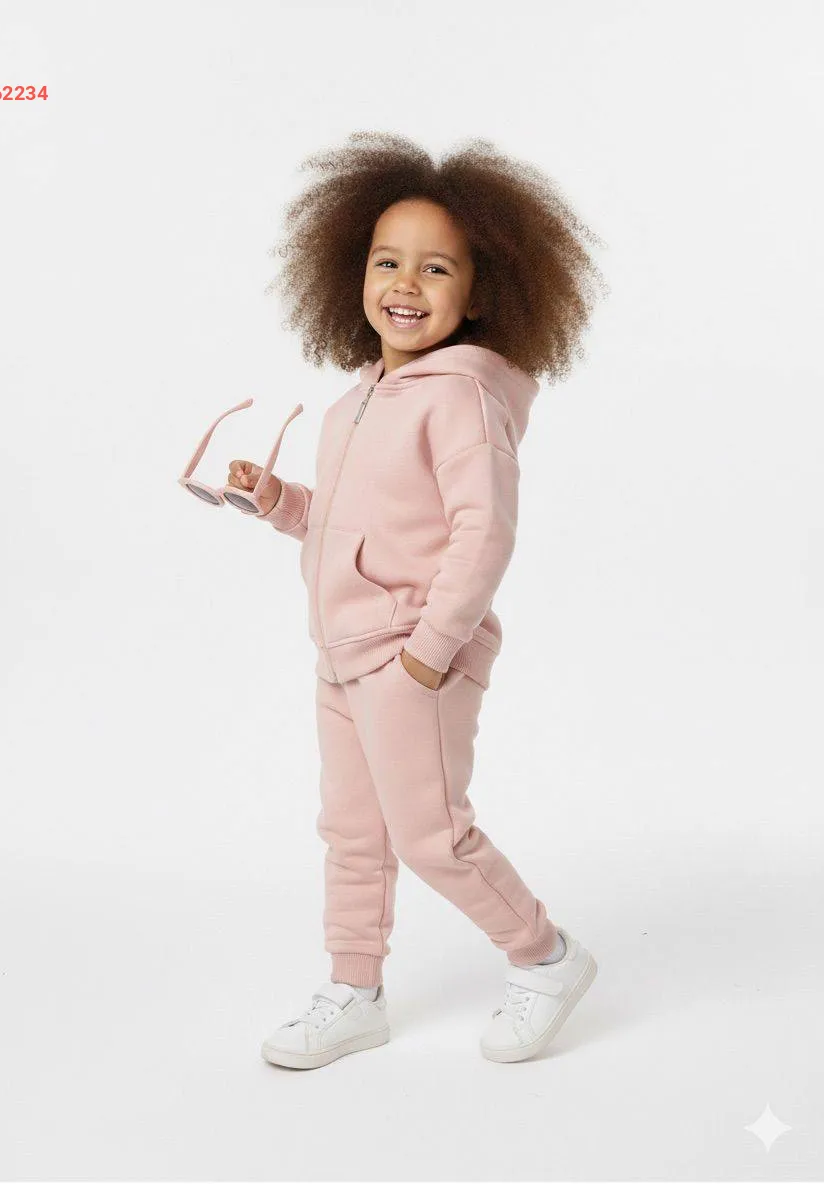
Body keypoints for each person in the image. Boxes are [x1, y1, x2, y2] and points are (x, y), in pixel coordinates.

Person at [230, 132, 608, 1069]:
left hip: (410, 656)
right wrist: (278, 502)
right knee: (352, 834)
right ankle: (353, 991)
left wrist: (429, 653)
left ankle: (546, 957)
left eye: (436, 268)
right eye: (386, 261)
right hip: (342, 653)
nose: (405, 283)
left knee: (433, 836)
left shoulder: (464, 399)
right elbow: (353, 525)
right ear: (351, 271)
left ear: (479, 293)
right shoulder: (353, 403)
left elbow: (484, 534)